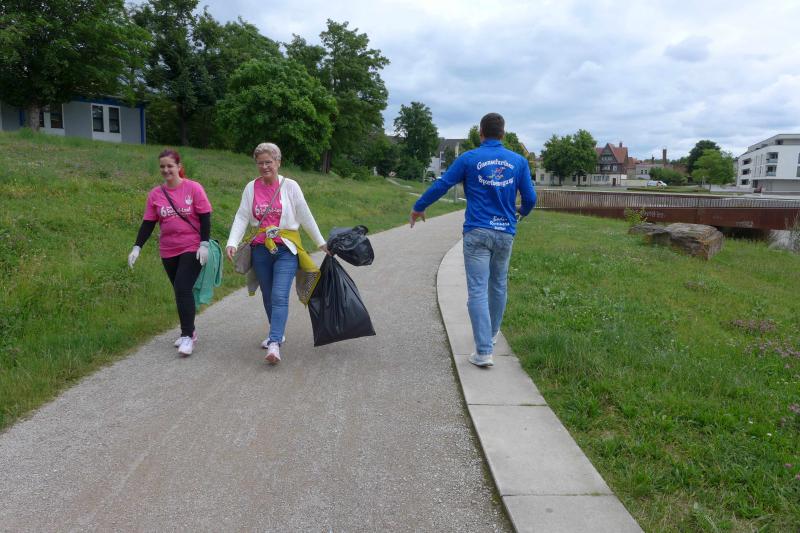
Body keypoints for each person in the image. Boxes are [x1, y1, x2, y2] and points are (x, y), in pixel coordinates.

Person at [410, 113, 536, 367]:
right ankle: (491, 335)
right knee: (498, 285)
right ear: (502, 133)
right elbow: (530, 198)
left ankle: (483, 351)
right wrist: (521, 212)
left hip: (477, 232)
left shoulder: (468, 158)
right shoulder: (519, 161)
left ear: (481, 133)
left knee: (478, 289)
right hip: (505, 233)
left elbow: (443, 184)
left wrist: (419, 206)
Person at [226, 142, 328, 365]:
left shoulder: (290, 186)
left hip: (286, 249)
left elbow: (305, 214)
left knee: (279, 295)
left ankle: (274, 343)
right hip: (260, 249)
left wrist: (320, 243)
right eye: (260, 163)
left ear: (278, 162)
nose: (264, 167)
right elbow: (242, 216)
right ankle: (277, 332)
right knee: (268, 294)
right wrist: (232, 242)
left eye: (268, 162)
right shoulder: (251, 188)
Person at [128, 149, 213, 356]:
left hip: (192, 246)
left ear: (179, 167)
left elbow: (205, 217)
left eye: (170, 166)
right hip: (168, 249)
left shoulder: (193, 188)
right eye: (162, 167)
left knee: (182, 287)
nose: (166, 170)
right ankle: (190, 331)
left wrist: (204, 244)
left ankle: (187, 336)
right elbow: (148, 223)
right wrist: (137, 247)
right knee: (179, 290)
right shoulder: (155, 194)